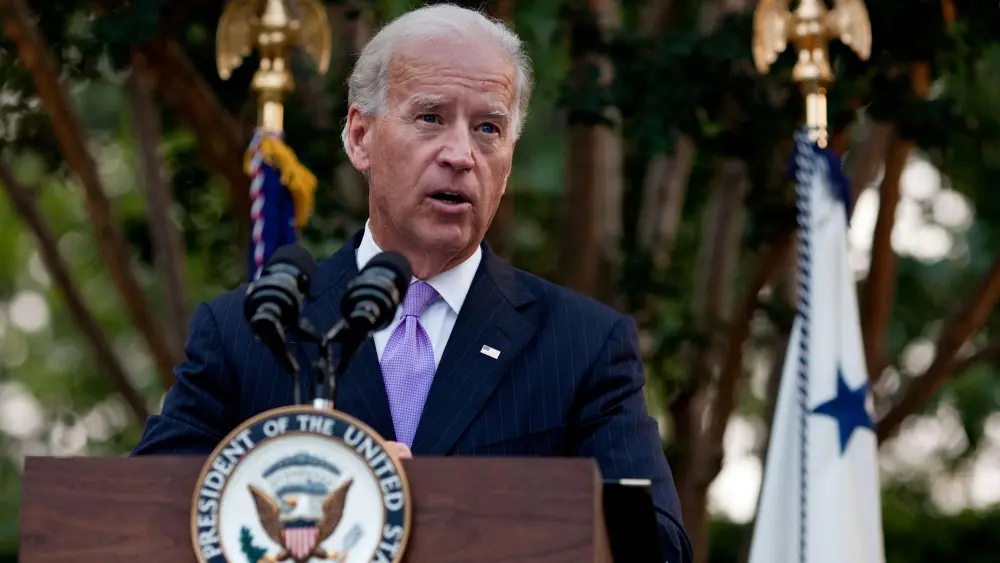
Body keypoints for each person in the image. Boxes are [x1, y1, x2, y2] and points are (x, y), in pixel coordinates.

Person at [133, 4, 692, 561]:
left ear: (510, 161)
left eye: (488, 128)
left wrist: (440, 505)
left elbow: (656, 547)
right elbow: (137, 521)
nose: (460, 155)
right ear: (360, 138)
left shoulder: (582, 346)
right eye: (430, 118)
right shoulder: (247, 332)